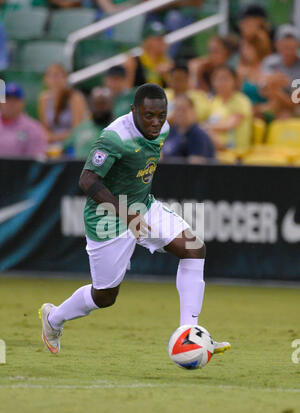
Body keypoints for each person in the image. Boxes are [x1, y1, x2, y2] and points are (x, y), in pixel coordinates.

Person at [38, 83, 230, 357]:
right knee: (104, 296)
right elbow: (87, 179)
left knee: (193, 248)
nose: (155, 122)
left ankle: (190, 336)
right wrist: (127, 215)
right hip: (108, 217)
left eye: (161, 115)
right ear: (133, 111)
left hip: (143, 206)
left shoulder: (164, 128)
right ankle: (54, 318)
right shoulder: (114, 137)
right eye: (148, 115)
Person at [204, 66, 252, 151]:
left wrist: (206, 128)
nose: (222, 83)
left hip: (234, 150)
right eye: (218, 79)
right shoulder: (214, 101)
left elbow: (230, 124)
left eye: (225, 79)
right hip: (214, 147)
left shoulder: (241, 100)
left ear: (234, 81)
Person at [38, 63, 89, 144]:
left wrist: (54, 138)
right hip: (51, 147)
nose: (54, 80)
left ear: (65, 78)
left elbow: (77, 130)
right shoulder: (43, 99)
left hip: (72, 145)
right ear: (45, 80)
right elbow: (44, 129)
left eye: (57, 76)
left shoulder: (75, 98)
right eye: (50, 76)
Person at [63, 87, 114, 160]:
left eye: (103, 103)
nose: (99, 108)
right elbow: (64, 148)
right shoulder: (82, 127)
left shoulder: (118, 129)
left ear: (111, 104)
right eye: (96, 104)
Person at [162, 94, 215, 163]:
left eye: (184, 110)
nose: (180, 114)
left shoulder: (198, 135)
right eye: (177, 109)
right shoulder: (171, 132)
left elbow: (196, 165)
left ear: (192, 111)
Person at [0, 83, 47, 159]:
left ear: (23, 103)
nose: (11, 103)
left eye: (15, 100)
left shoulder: (34, 128)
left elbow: (34, 161)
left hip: (18, 170)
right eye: (7, 99)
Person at [123, 21, 173, 88]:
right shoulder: (133, 61)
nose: (163, 42)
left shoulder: (167, 63)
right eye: (159, 39)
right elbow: (127, 90)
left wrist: (167, 76)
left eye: (163, 38)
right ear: (147, 41)